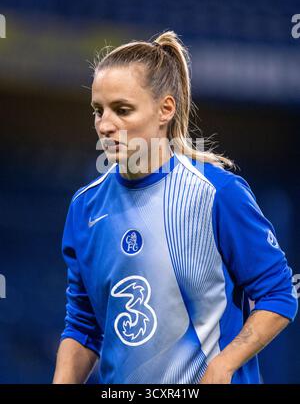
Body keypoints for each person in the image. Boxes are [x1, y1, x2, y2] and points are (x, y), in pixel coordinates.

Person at [53, 31, 298, 384]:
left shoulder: (216, 193)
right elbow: (83, 326)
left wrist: (224, 364)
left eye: (122, 110)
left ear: (165, 109)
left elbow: (278, 293)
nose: (105, 125)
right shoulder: (84, 208)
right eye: (98, 111)